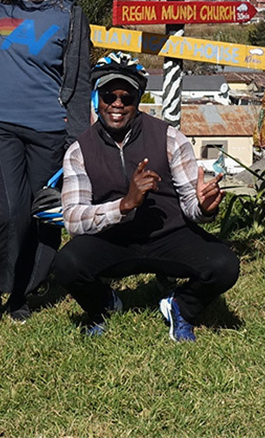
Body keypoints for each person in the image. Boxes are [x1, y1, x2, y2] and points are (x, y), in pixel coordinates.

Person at [53, 52, 240, 341]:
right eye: (108, 95)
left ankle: (181, 307)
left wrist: (204, 207)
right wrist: (124, 205)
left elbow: (192, 204)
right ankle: (104, 305)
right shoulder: (79, 150)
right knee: (66, 264)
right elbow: (73, 220)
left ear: (138, 100)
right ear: (97, 98)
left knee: (225, 265)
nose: (117, 104)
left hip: (169, 235)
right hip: (114, 240)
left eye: (126, 97)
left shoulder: (169, 137)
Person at [0, 0, 91, 321]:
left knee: (43, 213)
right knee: (5, 211)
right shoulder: (0, 7)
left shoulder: (69, 12)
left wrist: (75, 137)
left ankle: (23, 292)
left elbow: (78, 75)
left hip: (47, 126)